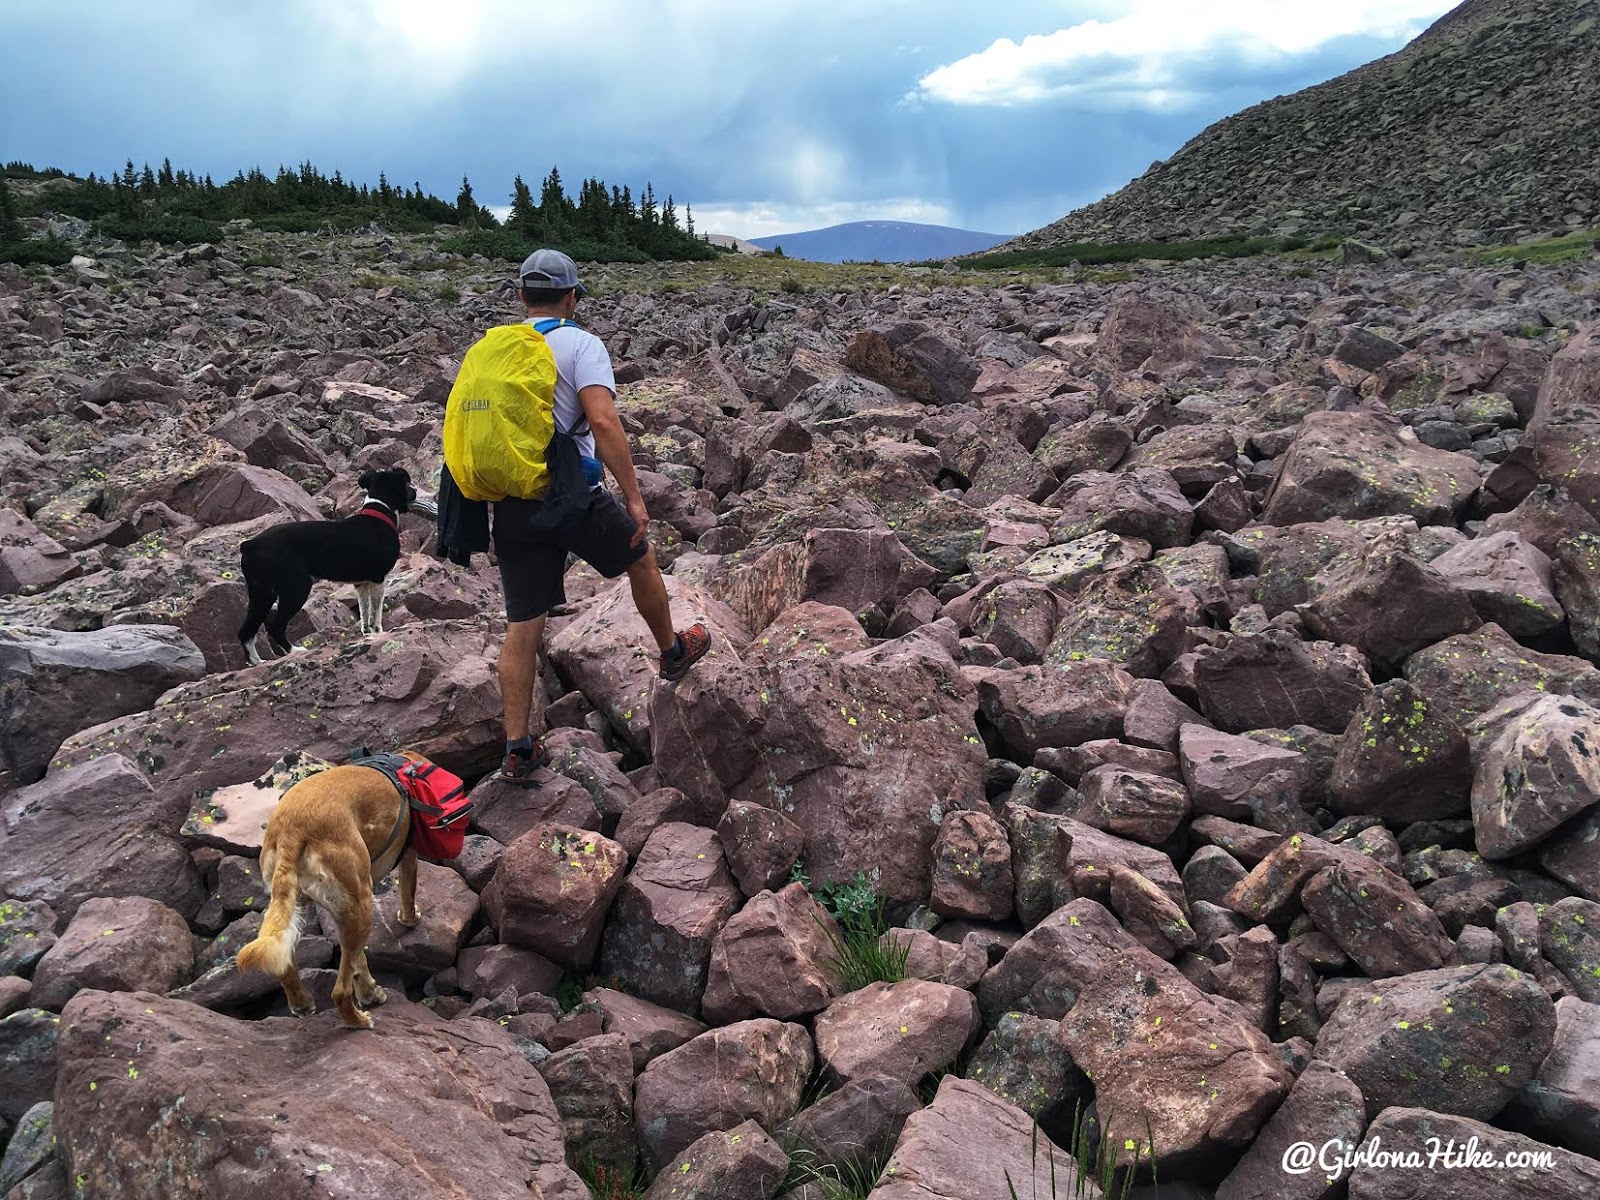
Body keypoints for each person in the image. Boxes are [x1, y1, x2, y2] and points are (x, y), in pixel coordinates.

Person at [493, 248, 710, 782]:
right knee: (640, 556)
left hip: (513, 499)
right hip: (572, 493)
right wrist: (634, 497)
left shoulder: (496, 349)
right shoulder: (580, 344)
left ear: (521, 296)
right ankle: (672, 651)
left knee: (523, 625)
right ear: (571, 297)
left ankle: (517, 747)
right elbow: (604, 423)